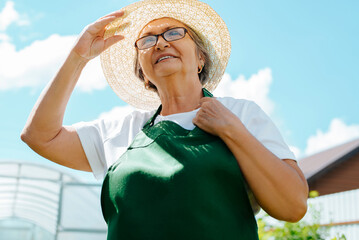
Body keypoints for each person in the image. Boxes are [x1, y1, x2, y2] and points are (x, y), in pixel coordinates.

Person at [21, 0, 309, 239]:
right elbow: (39, 136)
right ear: (143, 73)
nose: (159, 43)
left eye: (173, 33)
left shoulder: (242, 114)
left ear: (200, 58)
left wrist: (232, 130)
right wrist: (78, 56)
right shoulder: (124, 130)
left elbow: (293, 205)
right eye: (146, 40)